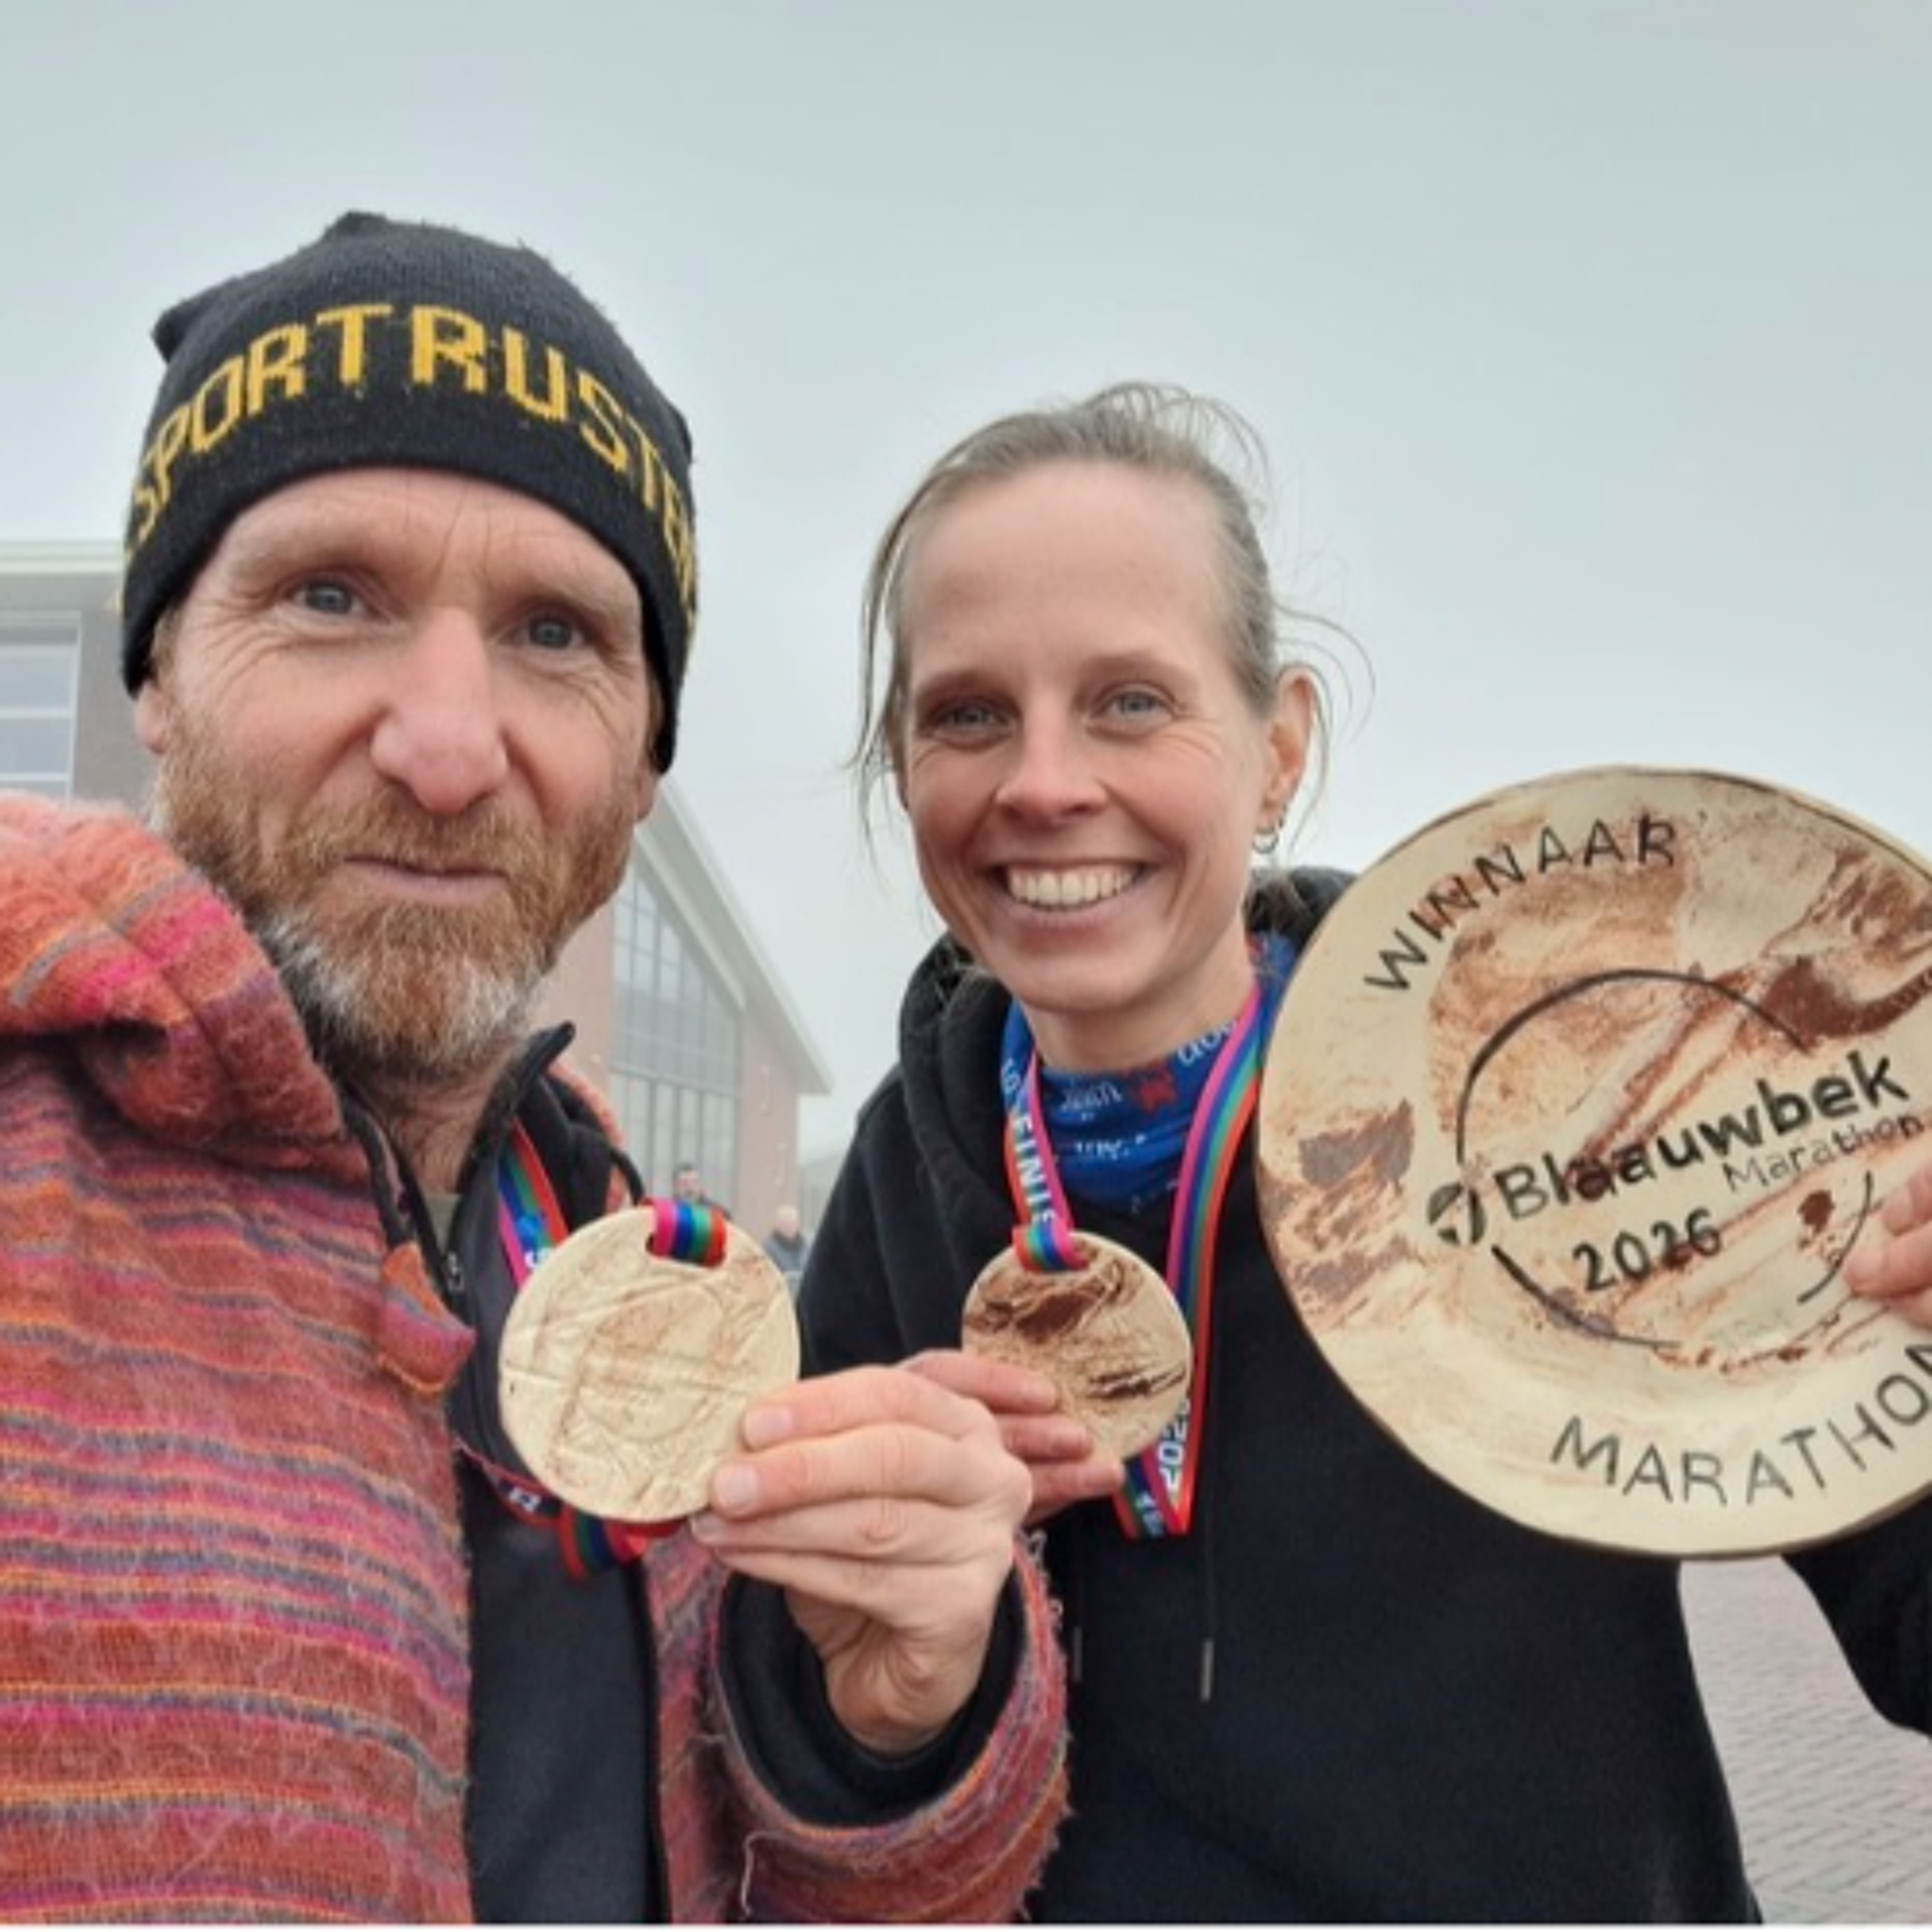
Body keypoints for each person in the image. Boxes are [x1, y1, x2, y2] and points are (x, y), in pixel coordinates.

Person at [0, 213, 1069, 1923]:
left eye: (558, 635)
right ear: (156, 672)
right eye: (329, 598)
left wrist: (893, 1731)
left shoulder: (623, 1245)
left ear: (642, 759)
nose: (443, 747)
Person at [798, 380, 1932, 1920]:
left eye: (1130, 699)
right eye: (968, 712)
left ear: (1275, 750)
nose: (1043, 780)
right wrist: (883, 1694)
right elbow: (824, 1791)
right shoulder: (896, 1180)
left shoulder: (1558, 1101)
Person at [767, 1202, 813, 1289]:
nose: (789, 1226)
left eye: (792, 1223)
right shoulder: (769, 1249)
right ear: (778, 1225)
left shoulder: (806, 1246)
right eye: (785, 1223)